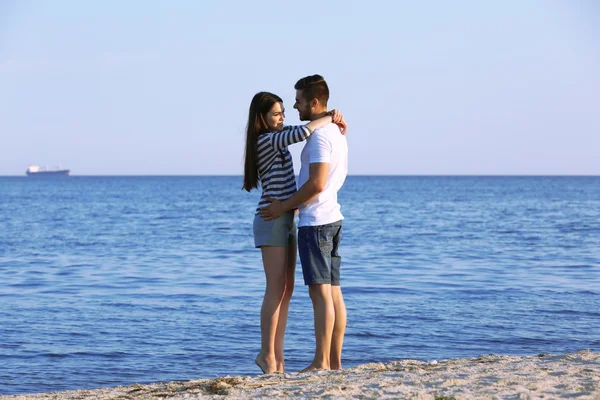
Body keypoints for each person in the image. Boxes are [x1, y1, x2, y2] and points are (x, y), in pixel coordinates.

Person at [243, 91, 347, 374]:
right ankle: (267, 353)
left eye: (282, 114)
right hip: (272, 219)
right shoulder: (266, 139)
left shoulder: (277, 134)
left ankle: (278, 358)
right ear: (261, 119)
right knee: (276, 289)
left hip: (286, 217)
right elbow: (303, 132)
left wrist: (329, 117)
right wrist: (329, 115)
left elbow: (300, 129)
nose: (281, 119)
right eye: (276, 114)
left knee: (286, 290)